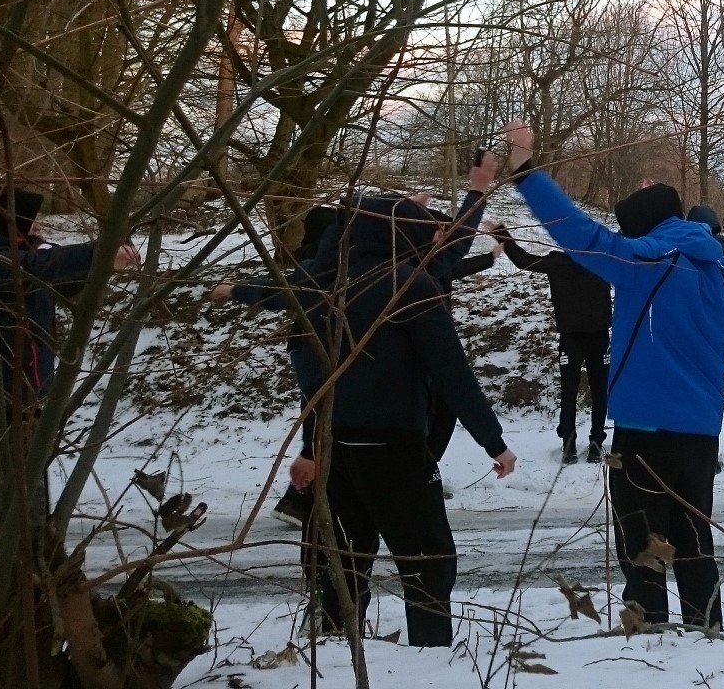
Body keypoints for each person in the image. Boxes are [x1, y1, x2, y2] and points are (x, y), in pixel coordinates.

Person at [503, 120, 724, 629]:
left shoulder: (642, 258)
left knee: (644, 552)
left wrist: (526, 172)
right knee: (696, 547)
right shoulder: (718, 267)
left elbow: (578, 232)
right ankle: (707, 635)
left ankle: (651, 646)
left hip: (643, 435)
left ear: (640, 229)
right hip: (699, 436)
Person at [217, 195, 517, 648]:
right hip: (395, 450)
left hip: (337, 449)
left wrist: (312, 446)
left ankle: (334, 645)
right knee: (428, 559)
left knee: (345, 556)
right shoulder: (410, 286)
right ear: (406, 237)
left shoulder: (328, 285)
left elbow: (310, 367)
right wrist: (494, 442)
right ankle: (429, 655)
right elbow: (451, 372)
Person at [0, 186, 136, 543]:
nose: (39, 226)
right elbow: (34, 269)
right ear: (12, 222)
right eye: (32, 220)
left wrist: (102, 266)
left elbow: (59, 282)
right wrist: (97, 250)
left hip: (18, 392)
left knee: (3, 468)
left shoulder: (12, 262)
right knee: (5, 475)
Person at [485, 221, 611, 464]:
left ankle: (573, 446)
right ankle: (587, 444)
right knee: (597, 391)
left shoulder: (562, 262)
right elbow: (524, 261)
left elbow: (523, 260)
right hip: (591, 336)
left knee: (571, 391)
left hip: (579, 336)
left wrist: (500, 233)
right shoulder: (602, 260)